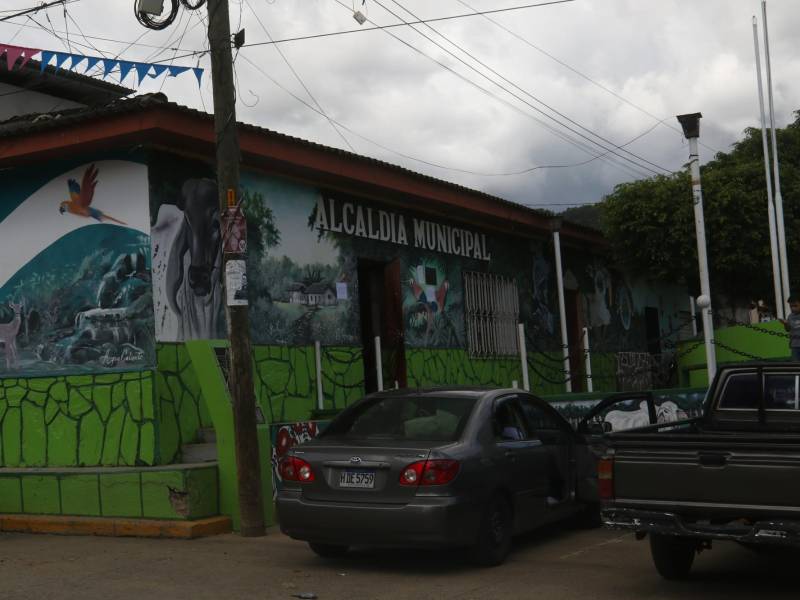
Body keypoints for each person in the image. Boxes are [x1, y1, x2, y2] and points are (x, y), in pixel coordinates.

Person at [779, 296, 800, 361]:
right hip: (795, 345)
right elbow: (788, 329)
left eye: (795, 306)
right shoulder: (790, 316)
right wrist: (785, 324)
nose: (793, 308)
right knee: (795, 363)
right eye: (791, 306)